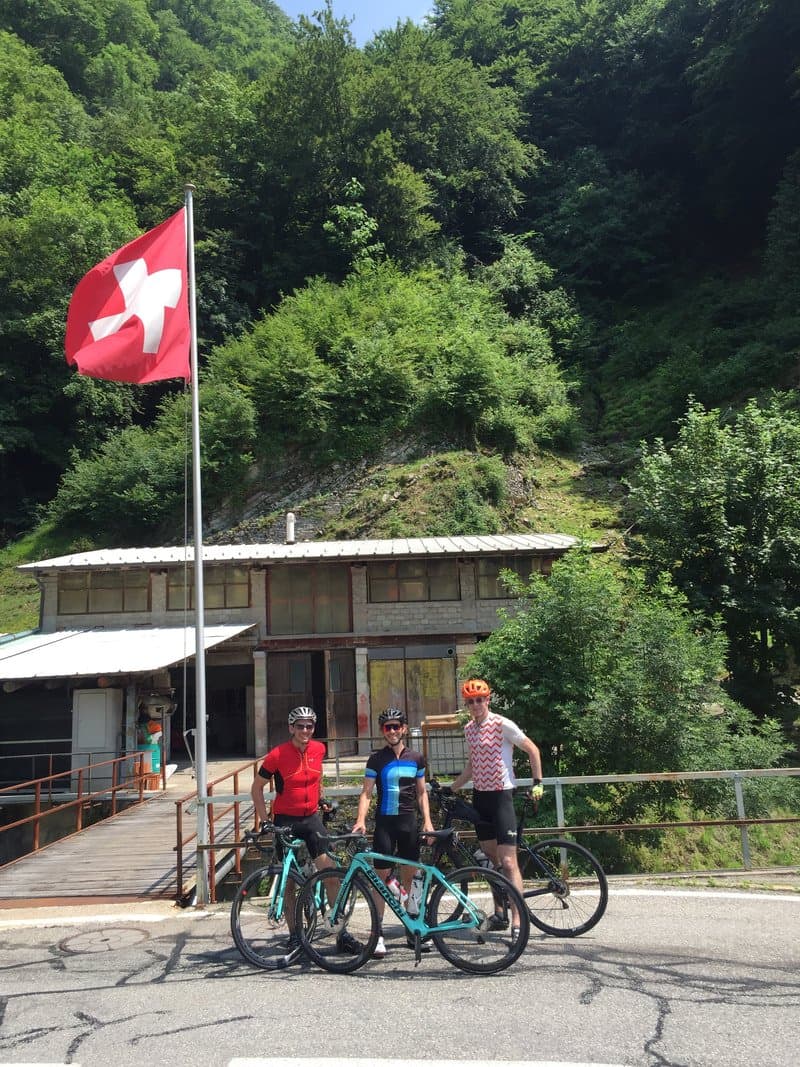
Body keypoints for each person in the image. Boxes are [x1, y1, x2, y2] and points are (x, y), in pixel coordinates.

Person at [250, 705, 357, 954]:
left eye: (309, 726)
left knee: (330, 873)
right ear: (291, 728)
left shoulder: (319, 749)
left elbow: (316, 778)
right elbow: (256, 789)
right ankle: (295, 935)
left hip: (311, 819)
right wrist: (265, 821)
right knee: (288, 883)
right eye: (300, 726)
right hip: (285, 820)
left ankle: (341, 934)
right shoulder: (277, 755)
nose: (305, 730)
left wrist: (321, 799)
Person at [448, 678, 544, 943]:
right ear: (467, 705)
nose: (476, 705)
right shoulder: (469, 729)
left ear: (487, 700)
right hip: (481, 798)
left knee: (509, 861)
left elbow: (532, 749)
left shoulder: (502, 724)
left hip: (502, 796)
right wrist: (452, 788)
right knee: (490, 860)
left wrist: (538, 784)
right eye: (471, 701)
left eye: (480, 700)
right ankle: (500, 913)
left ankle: (518, 920)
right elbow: (471, 766)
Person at [352, 707, 434, 959]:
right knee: (380, 881)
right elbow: (366, 793)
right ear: (382, 731)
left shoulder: (417, 758)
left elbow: (422, 793)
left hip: (409, 823)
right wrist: (360, 820)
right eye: (387, 727)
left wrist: (428, 822)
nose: (392, 731)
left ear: (404, 729)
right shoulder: (376, 759)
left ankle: (411, 928)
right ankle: (377, 934)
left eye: (396, 726)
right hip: (385, 824)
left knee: (410, 878)